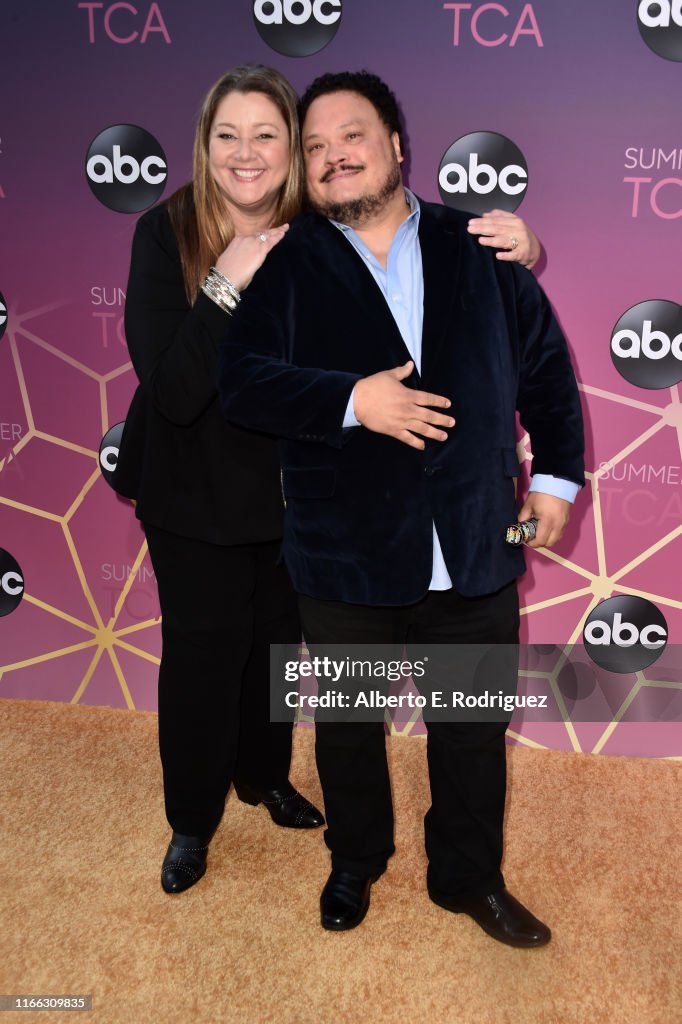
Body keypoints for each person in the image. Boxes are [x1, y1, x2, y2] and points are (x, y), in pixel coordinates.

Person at [218, 71, 584, 947]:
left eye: (351, 135)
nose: (331, 155)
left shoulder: (482, 246)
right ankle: (356, 859)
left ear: (396, 147)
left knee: (470, 728)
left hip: (470, 539)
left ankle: (469, 878)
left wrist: (557, 481)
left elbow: (546, 372)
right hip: (343, 549)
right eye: (312, 147)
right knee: (346, 725)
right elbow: (242, 383)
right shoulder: (286, 262)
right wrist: (353, 402)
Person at [111, 65, 328, 895]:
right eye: (228, 134)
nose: (247, 153)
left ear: (291, 146)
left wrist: (506, 241)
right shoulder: (165, 231)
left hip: (290, 490)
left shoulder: (319, 232)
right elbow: (172, 387)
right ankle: (191, 821)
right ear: (205, 145)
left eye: (266, 134)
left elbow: (410, 240)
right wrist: (228, 278)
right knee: (203, 657)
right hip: (191, 488)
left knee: (275, 648)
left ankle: (263, 777)